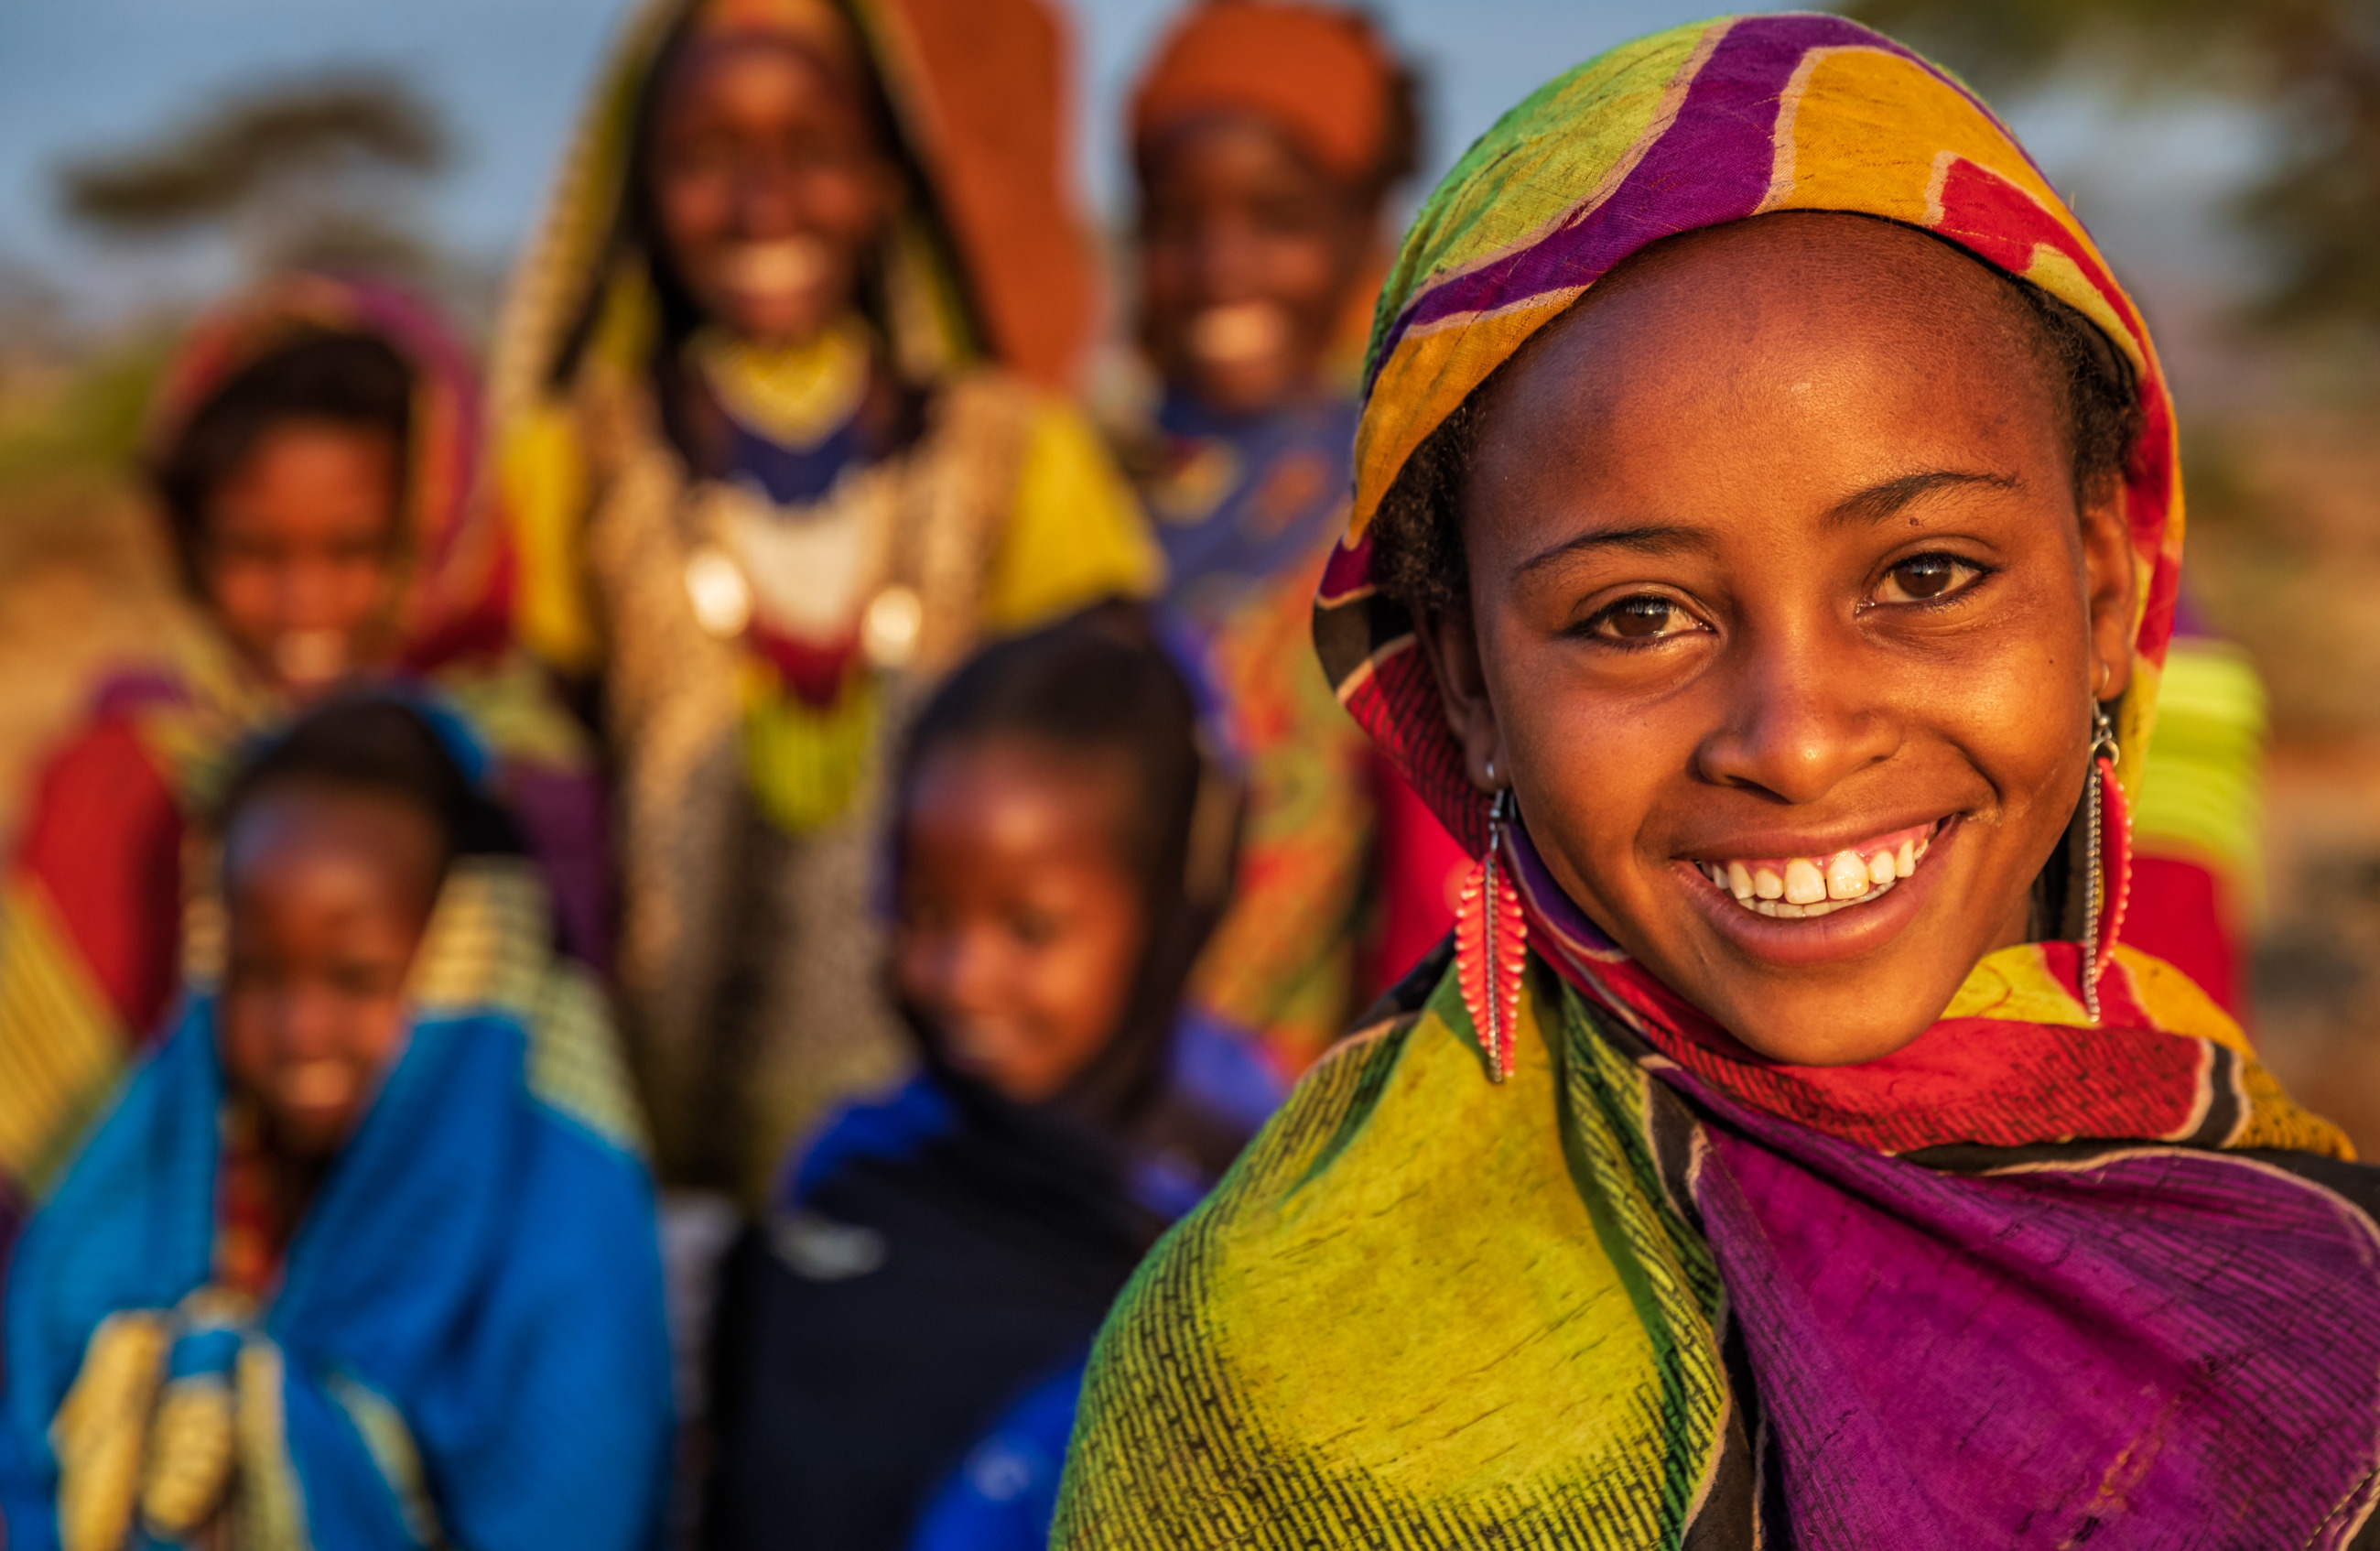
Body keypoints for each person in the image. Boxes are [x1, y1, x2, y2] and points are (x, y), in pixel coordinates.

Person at [1056, 16, 2380, 1543]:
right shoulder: (1280, 1380)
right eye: (1637, 616)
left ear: (2100, 585)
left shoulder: (2297, 1276)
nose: (1797, 739)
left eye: (1927, 573)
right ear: (1466, 682)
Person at [488, 0, 1162, 1198]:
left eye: (815, 151)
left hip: (957, 1163)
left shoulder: (1018, 457)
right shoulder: (566, 466)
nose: (764, 204)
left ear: (887, 176)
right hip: (635, 1165)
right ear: (641, 187)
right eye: (707, 157)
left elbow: (1115, 774)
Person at [0, 276, 601, 1281]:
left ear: (435, 527)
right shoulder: (119, 773)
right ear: (185, 542)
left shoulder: (514, 780)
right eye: (253, 551)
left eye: (353, 551)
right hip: (144, 1298)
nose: (302, 600)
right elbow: (39, 1106)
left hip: (451, 1291)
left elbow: (563, 1090)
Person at [0, 698, 671, 1551]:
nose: (302, 1029)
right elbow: (30, 1462)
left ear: (465, 969)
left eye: (357, 978)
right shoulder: (137, 1196)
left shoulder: (562, 1245)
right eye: (257, 973)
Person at [704, 605, 1277, 1551]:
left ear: (1169, 908)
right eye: (924, 913)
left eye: (1029, 929)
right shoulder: (850, 1173)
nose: (962, 977)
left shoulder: (1245, 1219)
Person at [1121, 0, 1465, 1073]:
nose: (1220, 264)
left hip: (1301, 1107)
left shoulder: (1397, 508)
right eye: (1177, 222)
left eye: (1277, 218)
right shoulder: (1059, 482)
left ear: (1362, 231)